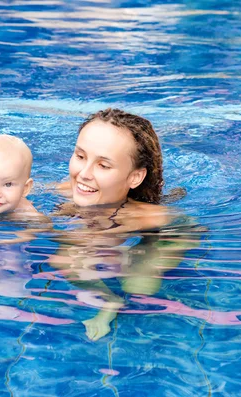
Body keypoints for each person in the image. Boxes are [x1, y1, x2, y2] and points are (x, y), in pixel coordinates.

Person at [49, 108, 201, 341]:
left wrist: (154, 254)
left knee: (141, 285)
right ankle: (110, 300)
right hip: (96, 241)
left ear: (135, 177)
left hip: (158, 235)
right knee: (64, 257)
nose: (84, 174)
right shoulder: (61, 194)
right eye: (80, 156)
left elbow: (190, 229)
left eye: (103, 165)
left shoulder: (148, 217)